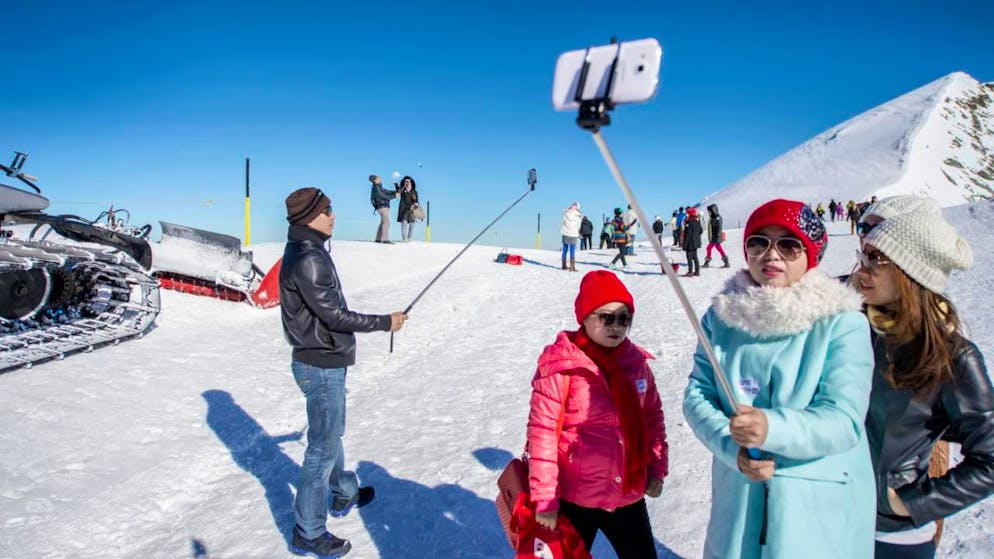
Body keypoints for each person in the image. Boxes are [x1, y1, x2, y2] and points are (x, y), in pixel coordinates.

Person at [683, 198, 875, 559]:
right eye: (759, 242)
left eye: (788, 245)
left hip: (815, 510)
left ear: (811, 255)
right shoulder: (720, 318)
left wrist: (771, 429)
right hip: (738, 503)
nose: (771, 255)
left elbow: (844, 419)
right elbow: (698, 394)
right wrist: (732, 445)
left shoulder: (841, 322)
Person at [852, 196, 994, 559]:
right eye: (862, 254)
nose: (860, 269)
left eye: (875, 258)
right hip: (832, 518)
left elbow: (990, 457)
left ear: (909, 269)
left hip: (892, 537)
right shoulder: (850, 327)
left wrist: (912, 502)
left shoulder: (952, 355)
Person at [280, 187, 409, 558]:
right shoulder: (309, 258)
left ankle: (344, 491)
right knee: (322, 449)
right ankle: (308, 532)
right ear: (309, 217)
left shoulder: (306, 250)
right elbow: (335, 316)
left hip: (322, 361)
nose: (333, 216)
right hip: (320, 365)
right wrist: (385, 322)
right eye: (327, 210)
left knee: (330, 433)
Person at [527, 270, 668, 557]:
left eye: (624, 318)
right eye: (606, 317)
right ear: (585, 317)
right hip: (575, 497)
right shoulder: (562, 366)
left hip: (628, 493)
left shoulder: (636, 364)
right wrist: (545, 497)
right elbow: (542, 434)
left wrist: (656, 466)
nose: (616, 326)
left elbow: (652, 418)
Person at [369, 174, 398, 243]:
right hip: (382, 206)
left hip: (382, 206)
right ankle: (385, 239)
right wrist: (394, 196)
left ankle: (378, 239)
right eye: (378, 178)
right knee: (386, 223)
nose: (380, 179)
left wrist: (396, 191)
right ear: (375, 180)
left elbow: (388, 191)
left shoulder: (379, 187)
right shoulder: (376, 188)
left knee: (383, 222)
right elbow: (383, 196)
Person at [703, 203, 729, 269]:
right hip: (715, 237)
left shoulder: (717, 218)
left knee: (708, 248)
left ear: (713, 210)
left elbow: (718, 229)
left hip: (715, 237)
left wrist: (715, 237)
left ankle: (707, 262)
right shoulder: (714, 217)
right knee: (719, 248)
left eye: (710, 211)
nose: (709, 213)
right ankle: (726, 262)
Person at [395, 175, 419, 243]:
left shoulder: (414, 191)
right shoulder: (402, 190)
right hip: (403, 209)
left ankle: (410, 237)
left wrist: (416, 203)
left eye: (408, 181)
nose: (407, 182)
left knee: (412, 223)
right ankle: (404, 239)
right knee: (404, 223)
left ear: (411, 182)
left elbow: (416, 200)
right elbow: (398, 190)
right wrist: (395, 183)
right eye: (405, 181)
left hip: (412, 209)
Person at [681, 207, 703, 277]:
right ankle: (697, 271)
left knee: (689, 258)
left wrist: (684, 245)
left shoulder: (688, 222)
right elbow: (700, 231)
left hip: (689, 243)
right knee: (695, 257)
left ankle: (690, 272)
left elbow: (687, 235)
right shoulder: (697, 221)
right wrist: (695, 236)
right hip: (696, 243)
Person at [561, 202, 582, 272]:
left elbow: (562, 222)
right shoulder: (578, 215)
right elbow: (579, 226)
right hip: (574, 234)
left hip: (565, 233)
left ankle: (563, 265)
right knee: (572, 250)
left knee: (565, 249)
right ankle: (572, 267)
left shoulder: (566, 213)